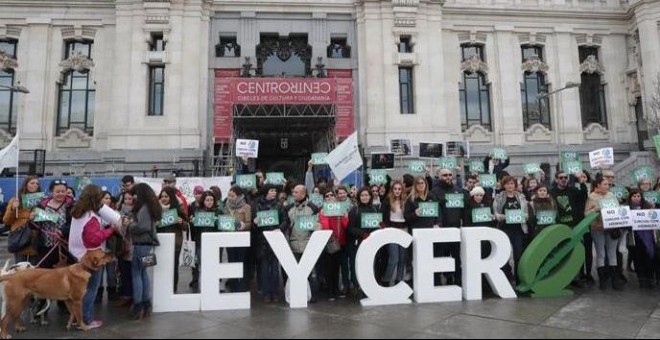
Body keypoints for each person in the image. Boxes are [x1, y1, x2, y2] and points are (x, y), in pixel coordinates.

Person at [68, 185, 121, 329]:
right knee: (91, 289)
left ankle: (77, 318)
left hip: (77, 253)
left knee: (80, 290)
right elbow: (94, 239)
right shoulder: (91, 216)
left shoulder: (78, 212)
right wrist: (111, 230)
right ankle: (86, 319)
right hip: (91, 258)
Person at [125, 183, 161, 320]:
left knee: (136, 274)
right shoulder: (149, 206)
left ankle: (138, 305)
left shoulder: (144, 208)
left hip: (141, 245)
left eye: (135, 194)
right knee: (143, 273)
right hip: (147, 245)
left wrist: (129, 224)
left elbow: (142, 226)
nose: (133, 196)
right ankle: (146, 304)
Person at [3, 176, 40, 263]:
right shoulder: (15, 200)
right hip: (20, 238)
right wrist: (13, 209)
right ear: (26, 185)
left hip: (35, 240)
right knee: (19, 269)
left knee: (33, 270)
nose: (35, 185)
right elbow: (6, 221)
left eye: (37, 184)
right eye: (32, 183)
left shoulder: (41, 200)